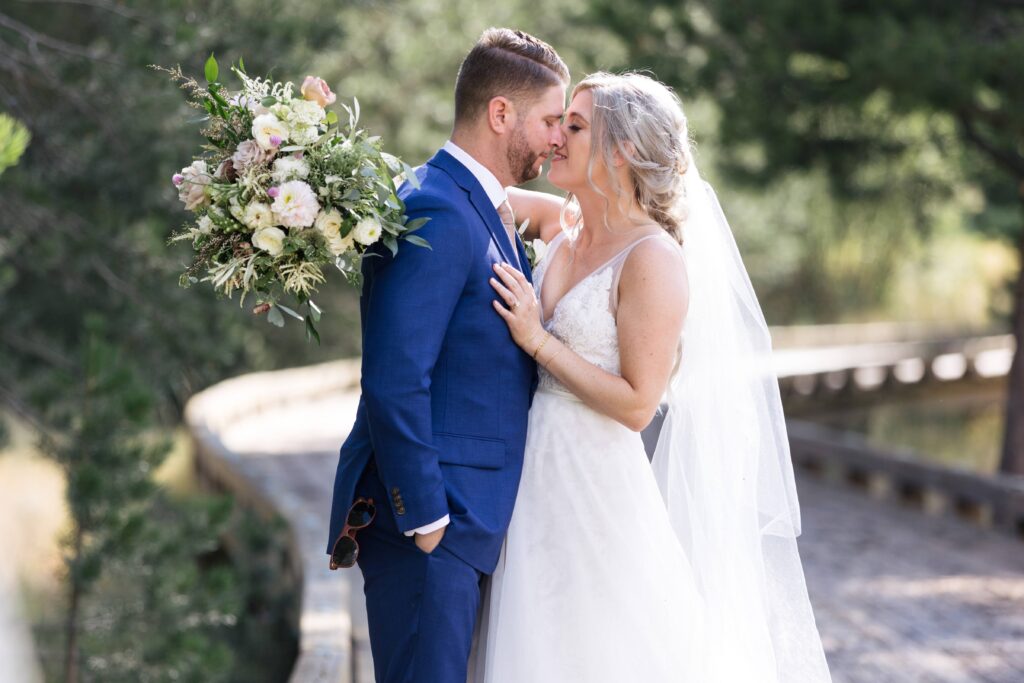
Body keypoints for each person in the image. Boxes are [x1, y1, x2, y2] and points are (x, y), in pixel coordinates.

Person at [471, 72, 833, 682]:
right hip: (530, 479)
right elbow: (478, 199)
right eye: (561, 124)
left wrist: (537, 340)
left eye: (576, 126)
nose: (557, 137)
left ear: (624, 151)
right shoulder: (566, 228)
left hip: (594, 490)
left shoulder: (652, 259)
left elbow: (640, 403)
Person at [324, 28, 568, 683]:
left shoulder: (473, 203)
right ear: (499, 114)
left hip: (465, 528)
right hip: (433, 531)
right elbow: (394, 376)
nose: (557, 138)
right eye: (550, 119)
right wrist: (427, 518)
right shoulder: (435, 205)